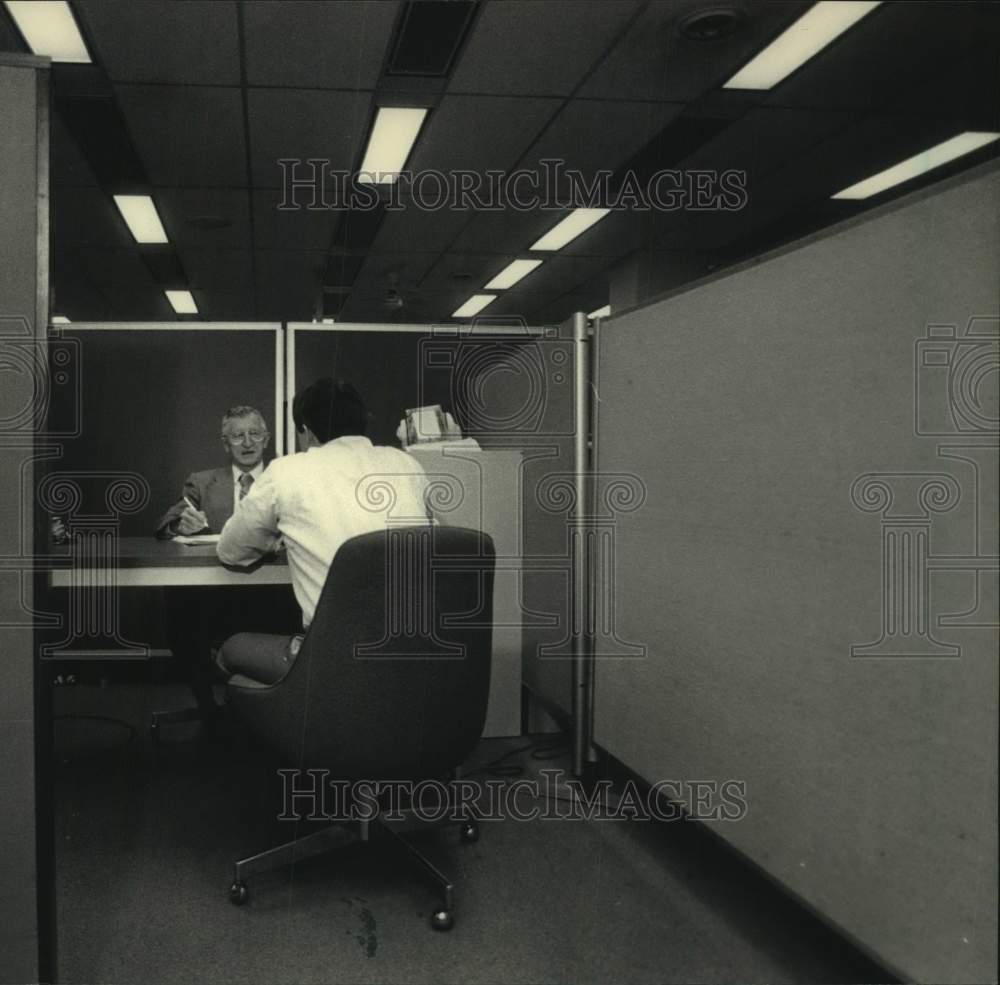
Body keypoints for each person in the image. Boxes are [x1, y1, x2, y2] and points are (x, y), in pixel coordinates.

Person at [215, 378, 431, 685]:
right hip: (416, 652)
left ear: (306, 431)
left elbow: (231, 552)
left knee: (230, 650)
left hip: (334, 658)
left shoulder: (286, 471)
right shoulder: (407, 465)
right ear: (362, 421)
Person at [155, 405, 271, 538]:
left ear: (266, 440)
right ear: (226, 444)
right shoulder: (201, 484)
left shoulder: (285, 481)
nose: (248, 443)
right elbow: (164, 526)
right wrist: (180, 526)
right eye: (238, 436)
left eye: (254, 434)